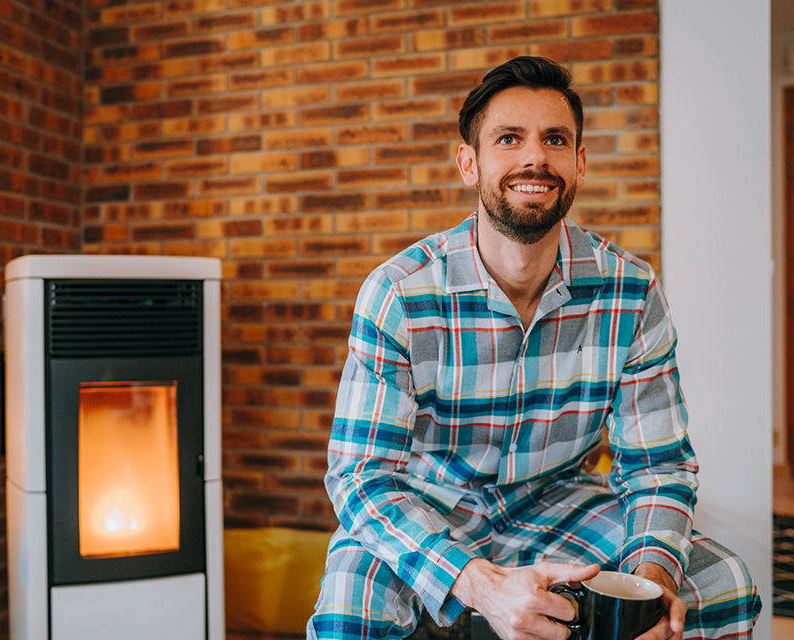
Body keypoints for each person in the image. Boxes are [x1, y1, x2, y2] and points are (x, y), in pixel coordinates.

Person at [307, 56, 761, 640]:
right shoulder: (399, 292)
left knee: (722, 579)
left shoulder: (631, 290)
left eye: (555, 140)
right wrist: (479, 583)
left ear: (579, 163)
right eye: (509, 139)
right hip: (424, 504)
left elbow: (657, 465)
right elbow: (359, 475)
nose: (535, 158)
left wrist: (650, 582)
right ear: (469, 163)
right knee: (351, 611)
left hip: (559, 499)